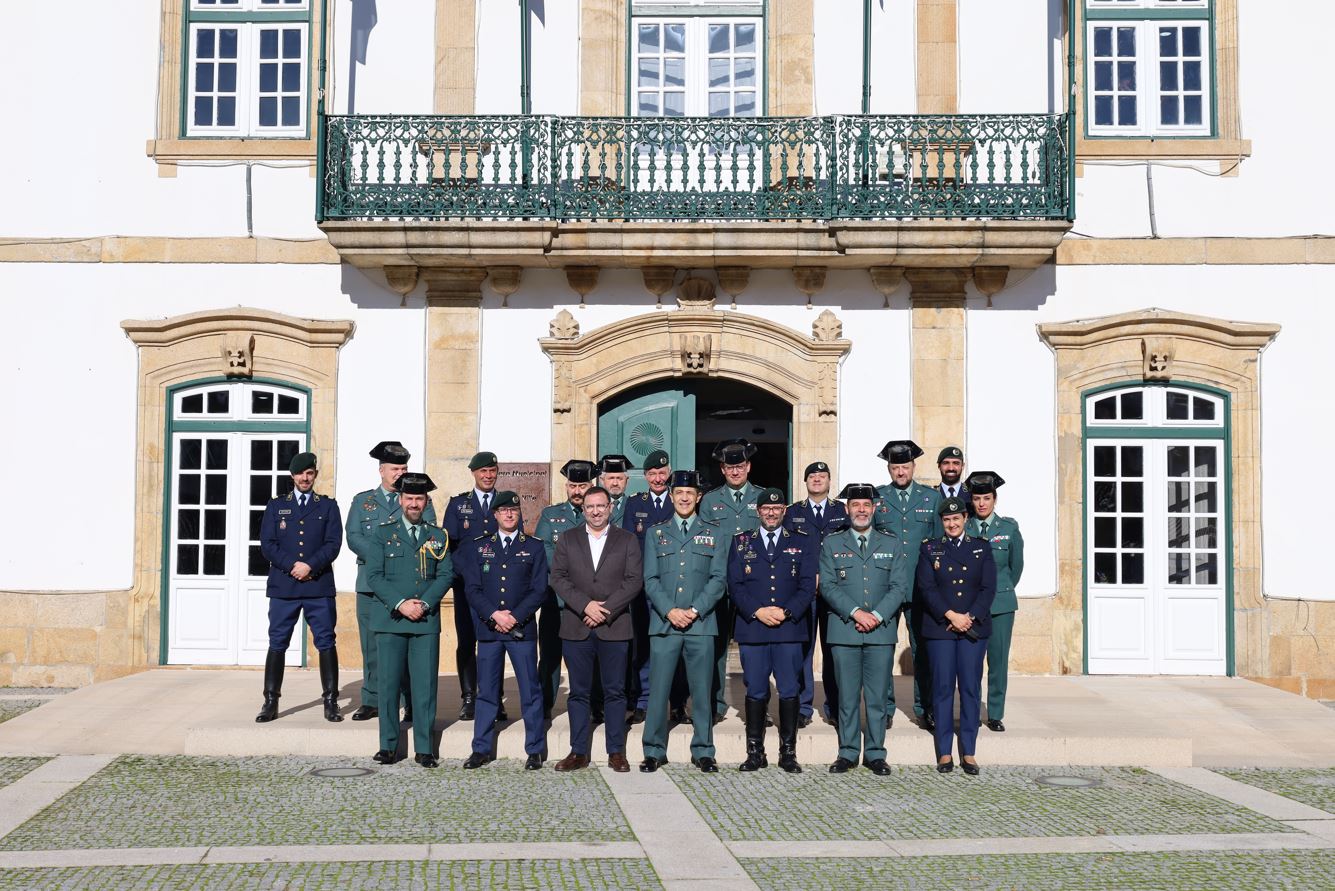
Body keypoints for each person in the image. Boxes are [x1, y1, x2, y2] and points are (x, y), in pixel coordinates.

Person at [550, 486, 644, 773]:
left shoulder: (627, 540)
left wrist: (605, 609)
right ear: (583, 509)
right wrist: (585, 606)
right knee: (579, 692)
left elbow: (633, 581)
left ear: (610, 507)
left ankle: (616, 751)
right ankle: (578, 751)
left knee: (615, 691)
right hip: (576, 626)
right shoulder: (568, 539)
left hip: (614, 626)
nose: (595, 511)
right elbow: (558, 578)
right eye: (590, 507)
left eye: (601, 506)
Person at [640, 470, 728, 773]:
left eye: (690, 493)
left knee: (702, 691)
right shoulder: (656, 533)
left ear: (698, 496)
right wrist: (670, 611)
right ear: (672, 496)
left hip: (701, 624)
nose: (685, 498)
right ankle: (653, 749)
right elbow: (649, 579)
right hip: (665, 624)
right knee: (658, 691)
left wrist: (694, 610)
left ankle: (703, 750)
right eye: (679, 493)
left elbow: (719, 580)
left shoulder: (714, 533)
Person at [820, 484, 909, 776]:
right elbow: (828, 586)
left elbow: (899, 587)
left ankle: (875, 753)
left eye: (866, 505)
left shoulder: (891, 543)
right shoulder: (832, 543)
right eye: (855, 505)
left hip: (880, 631)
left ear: (874, 509)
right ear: (847, 509)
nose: (860, 510)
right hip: (844, 630)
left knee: (876, 698)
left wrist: (878, 614)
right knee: (846, 697)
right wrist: (857, 612)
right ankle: (847, 752)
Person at [455, 491, 548, 770]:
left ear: (519, 514)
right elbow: (472, 588)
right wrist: (494, 614)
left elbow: (539, 589)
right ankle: (480, 748)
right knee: (487, 692)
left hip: (522, 631)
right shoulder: (479, 546)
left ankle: (534, 749)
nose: (509, 514)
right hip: (490, 630)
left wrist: (515, 616)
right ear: (494, 515)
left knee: (530, 690)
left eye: (513, 510)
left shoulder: (533, 547)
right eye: (503, 510)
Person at [728, 488, 818, 773]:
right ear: (758, 511)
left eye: (776, 509)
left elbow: (807, 585)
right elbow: (735, 585)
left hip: (789, 629)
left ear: (784, 512)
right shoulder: (741, 543)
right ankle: (755, 752)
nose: (771, 513)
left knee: (789, 689)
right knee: (755, 690)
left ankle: (788, 752)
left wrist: (786, 611)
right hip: (753, 628)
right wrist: (757, 611)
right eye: (766, 508)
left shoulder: (801, 542)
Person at [345, 441, 434, 723]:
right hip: (371, 587)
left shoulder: (417, 499)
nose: (400, 473)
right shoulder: (363, 501)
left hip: (407, 587)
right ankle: (372, 700)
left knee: (406, 648)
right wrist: (381, 557)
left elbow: (430, 533)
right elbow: (353, 536)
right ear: (381, 470)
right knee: (372, 647)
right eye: (395, 468)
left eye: (404, 468)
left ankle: (409, 702)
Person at [368, 473, 452, 768]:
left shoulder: (438, 535)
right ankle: (388, 746)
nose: (414, 504)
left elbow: (445, 575)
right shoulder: (381, 533)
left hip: (424, 621)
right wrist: (402, 604)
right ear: (400, 500)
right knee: (388, 685)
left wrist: (425, 604)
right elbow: (374, 576)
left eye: (419, 499)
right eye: (409, 498)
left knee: (425, 686)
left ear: (426, 501)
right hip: (391, 619)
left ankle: (425, 748)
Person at [256, 451, 343, 724]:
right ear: (292, 476)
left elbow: (333, 544)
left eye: (310, 473)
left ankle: (331, 701)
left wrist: (310, 566)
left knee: (326, 641)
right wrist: (293, 565)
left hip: (318, 586)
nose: (305, 478)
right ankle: (271, 700)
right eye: (300, 473)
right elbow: (267, 544)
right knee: (278, 642)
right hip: (285, 586)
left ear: (315, 475)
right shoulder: (276, 506)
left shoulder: (328, 506)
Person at [916, 496, 996, 776]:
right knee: (942, 688)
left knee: (971, 688)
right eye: (947, 520)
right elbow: (926, 588)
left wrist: (968, 617)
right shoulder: (930, 549)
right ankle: (945, 752)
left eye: (956, 519)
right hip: (941, 628)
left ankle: (970, 751)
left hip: (972, 628)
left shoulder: (981, 548)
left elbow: (988, 588)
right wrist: (951, 615)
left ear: (965, 519)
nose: (952, 523)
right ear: (942, 522)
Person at [873, 439, 943, 731]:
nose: (900, 471)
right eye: (895, 466)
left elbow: (939, 546)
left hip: (920, 587)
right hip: (887, 588)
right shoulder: (877, 497)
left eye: (904, 466)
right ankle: (885, 708)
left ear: (914, 467)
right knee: (883, 651)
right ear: (889, 468)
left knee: (923, 650)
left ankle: (924, 707)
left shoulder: (931, 498)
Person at [442, 451, 514, 722]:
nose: (488, 475)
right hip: (465, 587)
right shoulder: (459, 504)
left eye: (492, 471)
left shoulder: (505, 502)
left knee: (495, 642)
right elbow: (450, 546)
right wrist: (463, 576)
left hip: (498, 588)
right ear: (473, 473)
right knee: (467, 642)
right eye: (482, 471)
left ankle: (494, 697)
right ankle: (469, 696)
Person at [620, 449, 686, 727]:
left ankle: (678, 703)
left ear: (668, 473)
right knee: (644, 647)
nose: (658, 478)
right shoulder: (635, 504)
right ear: (645, 476)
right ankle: (644, 700)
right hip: (644, 588)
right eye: (652, 474)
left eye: (662, 473)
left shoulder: (679, 501)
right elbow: (627, 546)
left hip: (674, 586)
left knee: (677, 645)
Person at [699, 438, 762, 724]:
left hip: (752, 585)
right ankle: (716, 704)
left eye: (740, 466)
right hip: (721, 583)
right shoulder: (710, 501)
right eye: (729, 467)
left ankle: (757, 705)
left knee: (754, 648)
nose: (735, 472)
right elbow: (704, 542)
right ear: (722, 470)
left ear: (748, 466)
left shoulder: (762, 498)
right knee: (717, 647)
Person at [784, 461, 849, 728]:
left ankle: (834, 706)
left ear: (830, 481)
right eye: (812, 476)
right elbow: (788, 550)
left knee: (834, 649)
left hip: (837, 591)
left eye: (822, 476)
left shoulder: (841, 511)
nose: (817, 479)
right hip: (805, 591)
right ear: (805, 481)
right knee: (803, 650)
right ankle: (802, 706)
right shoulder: (792, 513)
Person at [534, 459, 595, 719]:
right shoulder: (551, 514)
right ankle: (544, 706)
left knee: (587, 659)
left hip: (588, 603)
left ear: (591, 485)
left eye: (582, 485)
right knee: (549, 659)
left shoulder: (599, 514)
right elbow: (543, 548)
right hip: (556, 602)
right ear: (567, 487)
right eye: (573, 485)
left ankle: (592, 706)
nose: (578, 491)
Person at [964, 471, 1024, 733]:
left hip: (1000, 605)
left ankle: (996, 713)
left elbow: (1016, 567)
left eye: (986, 498)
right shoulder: (963, 528)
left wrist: (1000, 591)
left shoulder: (1008, 528)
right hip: (971, 607)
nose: (981, 504)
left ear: (994, 499)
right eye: (977, 498)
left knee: (998, 661)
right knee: (971, 663)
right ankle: (973, 711)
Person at [597, 454, 632, 526]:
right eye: (611, 478)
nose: (615, 483)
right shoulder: (595, 507)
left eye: (619, 478)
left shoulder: (634, 505)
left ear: (627, 480)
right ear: (602, 480)